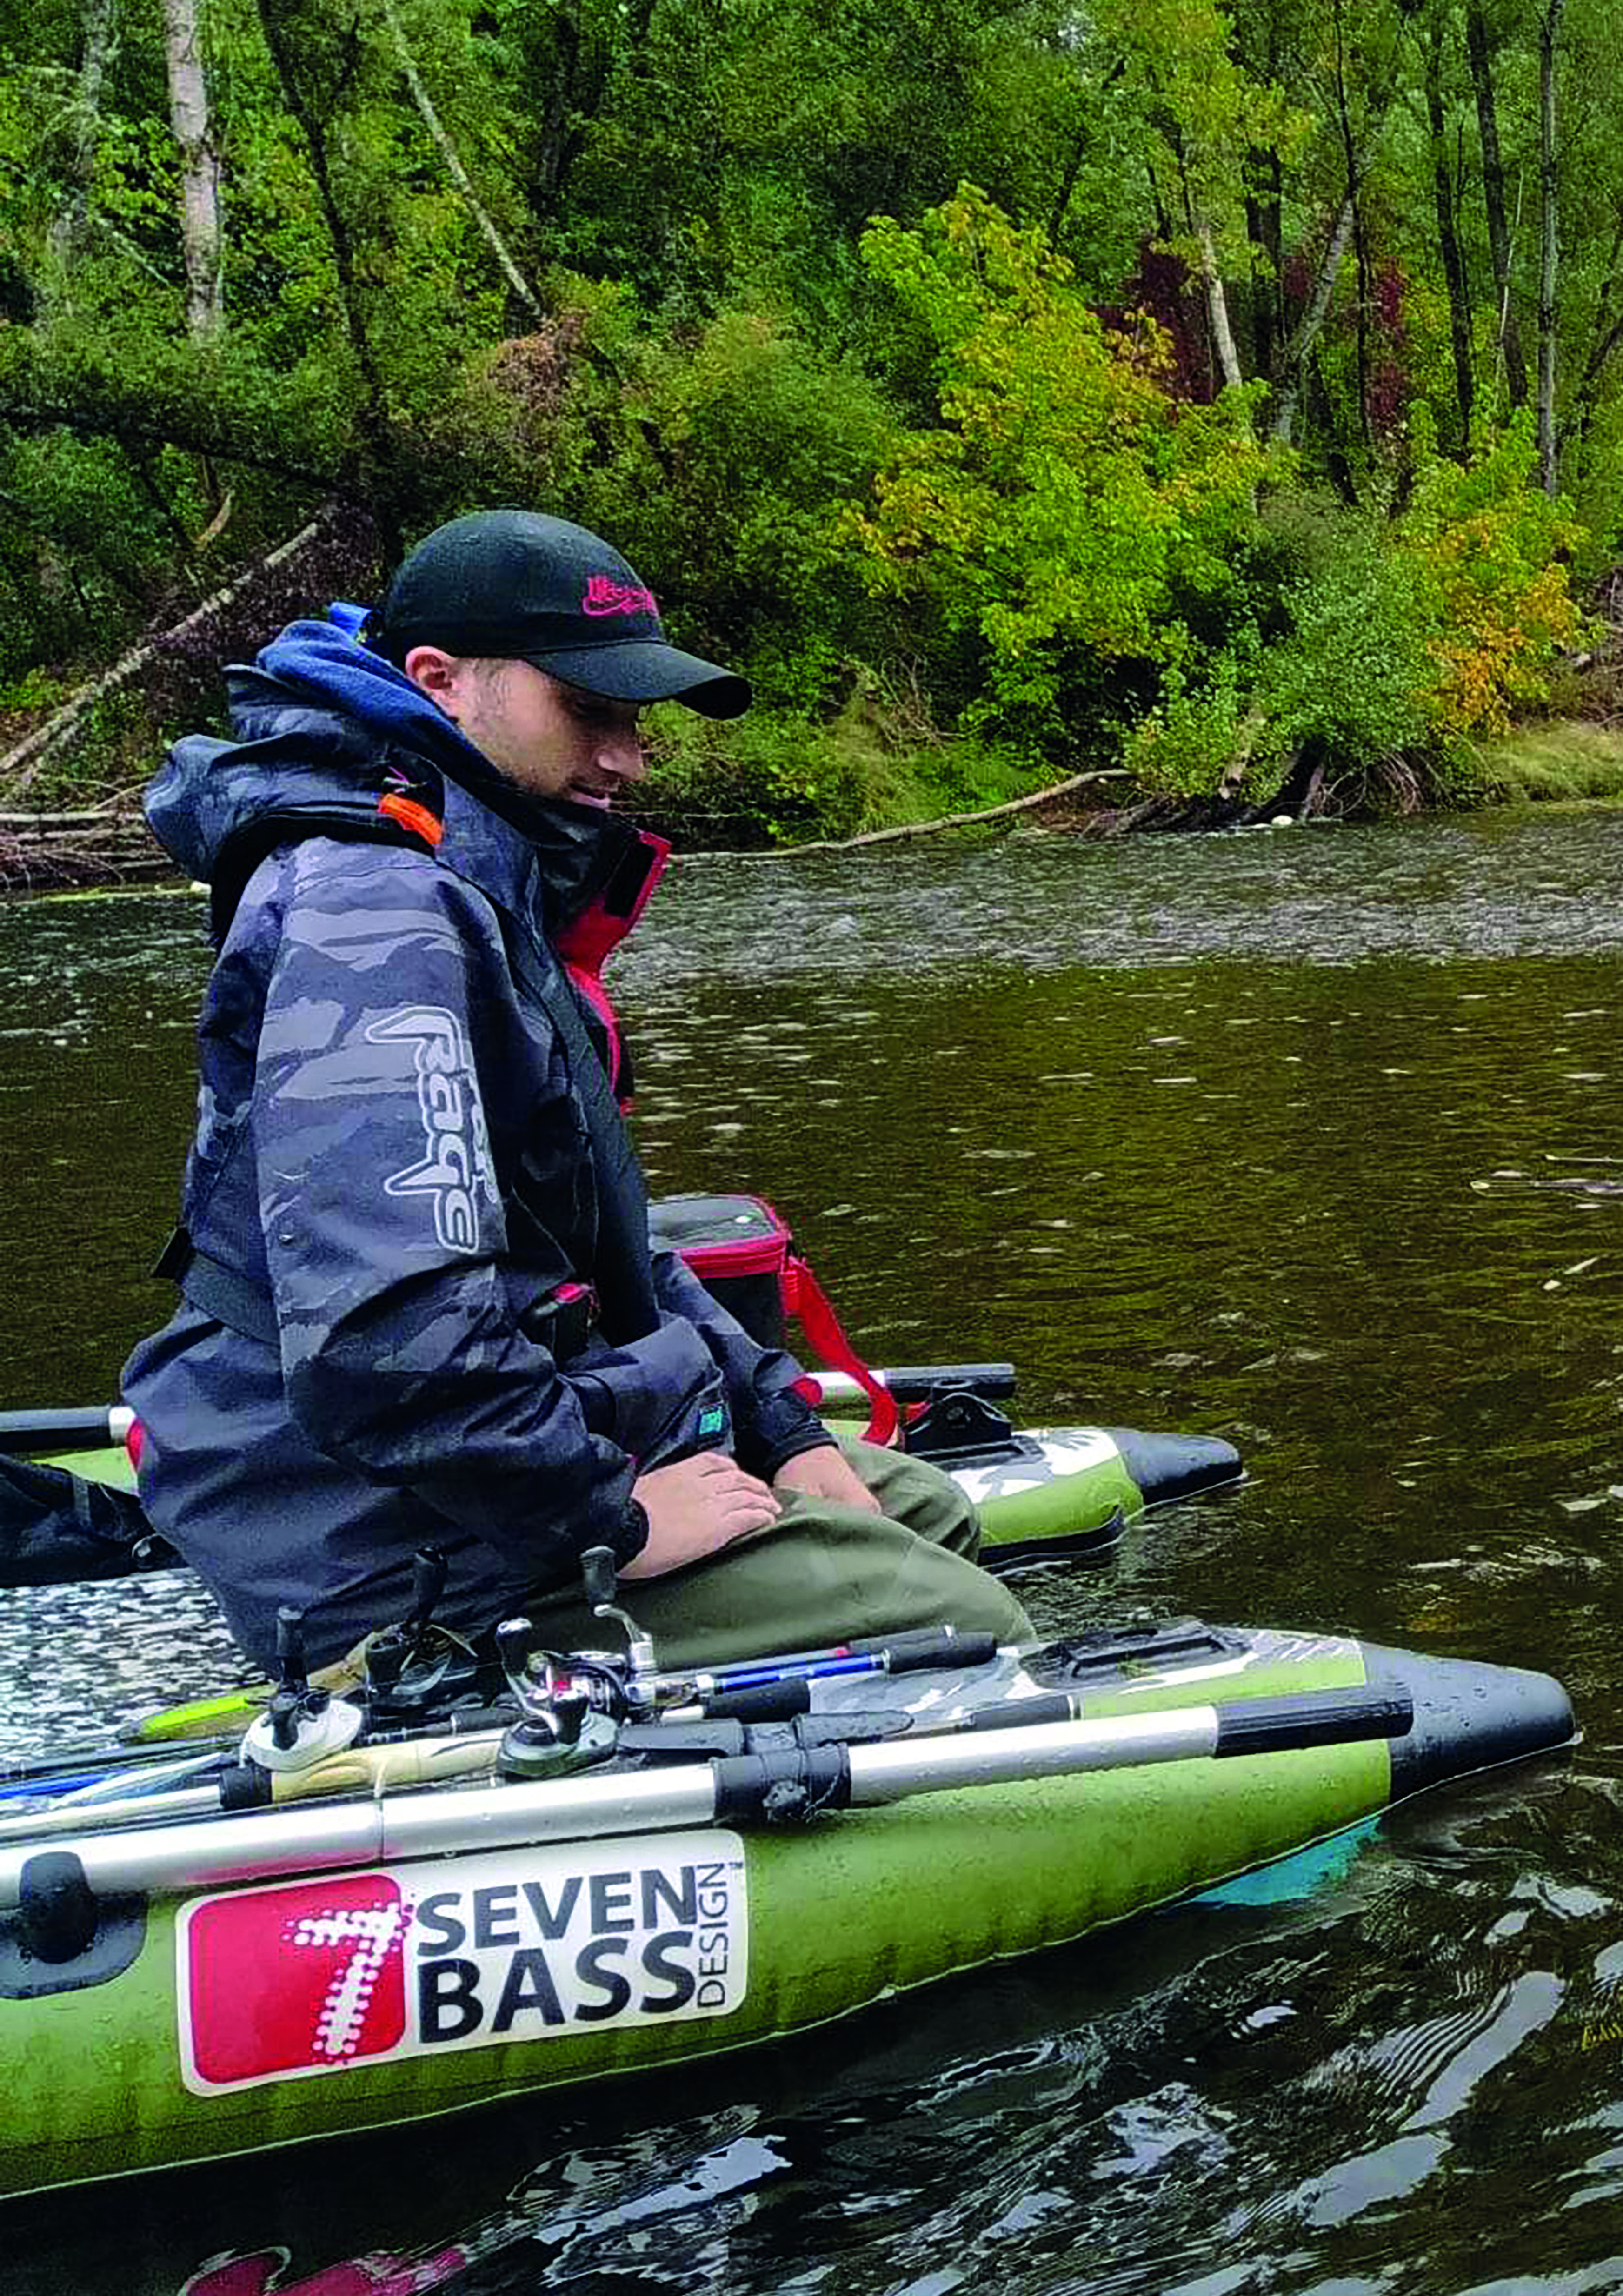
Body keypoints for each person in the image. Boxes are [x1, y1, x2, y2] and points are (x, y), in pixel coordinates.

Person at [122, 509, 1038, 1685]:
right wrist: (616, 1517)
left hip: (487, 1446)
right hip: (355, 1525)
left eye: (635, 719)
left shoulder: (476, 867)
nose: (627, 757)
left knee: (918, 1508)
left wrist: (783, 1428)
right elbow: (383, 1340)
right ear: (440, 681)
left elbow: (604, 1240)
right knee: (954, 1612)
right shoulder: (375, 913)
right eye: (589, 710)